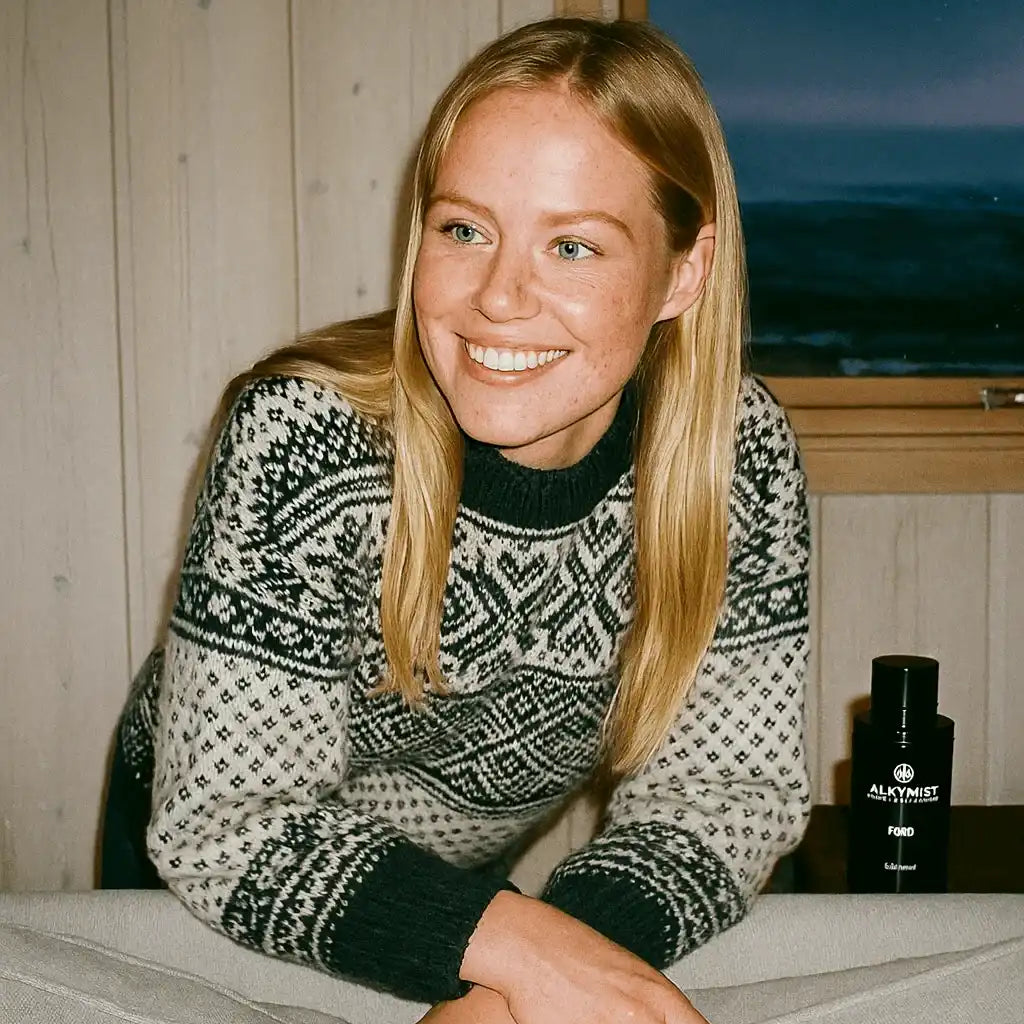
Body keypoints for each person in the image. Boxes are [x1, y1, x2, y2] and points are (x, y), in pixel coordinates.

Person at [105, 15, 810, 1024]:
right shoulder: (305, 435)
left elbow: (725, 792)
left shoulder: (737, 458)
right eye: (464, 229)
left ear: (683, 273)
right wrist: (533, 958)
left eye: (571, 245)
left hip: (466, 903)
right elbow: (227, 819)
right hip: (211, 867)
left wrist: (530, 973)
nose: (496, 297)